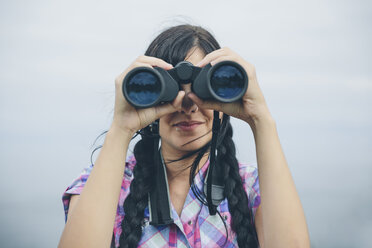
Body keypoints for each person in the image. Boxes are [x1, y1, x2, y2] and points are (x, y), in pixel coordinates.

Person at [58, 24, 310, 248]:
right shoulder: (106, 183)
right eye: (172, 90)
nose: (188, 105)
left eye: (204, 89)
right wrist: (121, 128)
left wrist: (261, 119)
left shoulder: (252, 186)